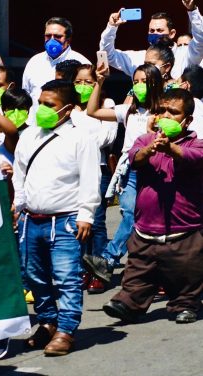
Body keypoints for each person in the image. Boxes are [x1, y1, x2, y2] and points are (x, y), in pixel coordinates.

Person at [13, 80, 101, 356]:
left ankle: (65, 330)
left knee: (66, 278)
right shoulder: (29, 135)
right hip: (30, 220)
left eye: (49, 105)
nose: (42, 109)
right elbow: (19, 173)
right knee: (33, 276)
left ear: (68, 109)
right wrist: (18, 204)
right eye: (40, 103)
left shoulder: (81, 139)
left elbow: (90, 178)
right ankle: (48, 322)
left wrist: (86, 215)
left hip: (64, 222)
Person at [102, 89, 203, 324]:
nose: (166, 116)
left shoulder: (197, 144)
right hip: (145, 229)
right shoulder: (145, 140)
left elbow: (192, 157)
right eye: (162, 111)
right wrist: (150, 150)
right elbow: (135, 158)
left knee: (186, 273)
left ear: (187, 120)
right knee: (138, 271)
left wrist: (171, 149)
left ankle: (185, 303)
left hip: (184, 230)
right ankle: (129, 303)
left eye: (173, 112)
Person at [84, 64, 164, 286]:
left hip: (153, 170)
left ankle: (110, 260)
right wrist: (99, 83)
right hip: (130, 170)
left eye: (143, 81)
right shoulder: (128, 111)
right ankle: (111, 261)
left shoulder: (163, 112)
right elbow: (93, 111)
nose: (139, 86)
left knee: (138, 218)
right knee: (131, 214)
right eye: (135, 81)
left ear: (155, 83)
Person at [71, 64, 118, 293]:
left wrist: (78, 140)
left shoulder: (107, 106)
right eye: (78, 82)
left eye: (88, 82)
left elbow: (105, 138)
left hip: (98, 169)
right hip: (73, 171)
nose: (82, 86)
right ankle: (81, 268)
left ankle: (98, 269)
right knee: (77, 222)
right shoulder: (68, 108)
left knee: (97, 221)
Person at [99, 2, 203, 79]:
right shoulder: (138, 58)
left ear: (172, 34)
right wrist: (112, 27)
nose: (155, 33)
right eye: (152, 30)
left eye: (159, 30)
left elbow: (200, 40)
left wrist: (192, 11)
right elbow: (108, 55)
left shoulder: (185, 54)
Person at [22, 17, 90, 125]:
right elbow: (26, 95)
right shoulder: (34, 62)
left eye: (58, 36)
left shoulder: (82, 64)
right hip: (35, 127)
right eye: (48, 36)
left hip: (68, 129)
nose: (52, 40)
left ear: (68, 39)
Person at [170, 65, 203, 137]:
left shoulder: (195, 107)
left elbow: (199, 137)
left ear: (185, 85)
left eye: (177, 82)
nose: (173, 85)